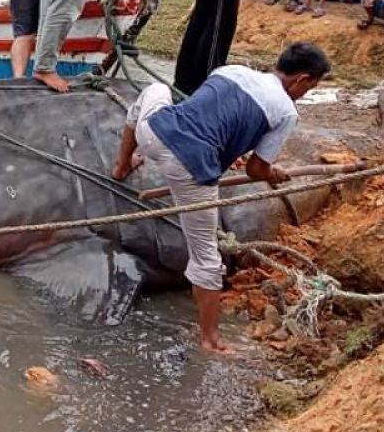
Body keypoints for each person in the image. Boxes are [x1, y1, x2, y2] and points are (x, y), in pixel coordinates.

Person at [110, 42, 332, 354]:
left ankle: (121, 166)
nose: (305, 93)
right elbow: (257, 170)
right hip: (191, 168)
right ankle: (211, 340)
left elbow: (211, 116)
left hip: (155, 132)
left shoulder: (232, 71)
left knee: (155, 89)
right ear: (302, 80)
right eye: (310, 87)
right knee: (207, 260)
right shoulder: (286, 111)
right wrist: (272, 173)